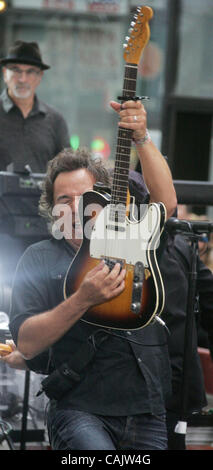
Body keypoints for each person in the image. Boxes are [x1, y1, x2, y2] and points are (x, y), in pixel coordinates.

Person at [9, 99, 177, 451]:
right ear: (52, 208)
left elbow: (166, 204)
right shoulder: (38, 258)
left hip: (146, 407)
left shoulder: (133, 239)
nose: (74, 206)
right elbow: (26, 342)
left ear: (102, 198)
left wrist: (143, 136)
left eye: (83, 197)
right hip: (79, 408)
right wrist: (82, 300)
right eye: (63, 199)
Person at [0, 40, 70, 173]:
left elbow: (67, 170)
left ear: (40, 76)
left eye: (30, 71)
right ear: (4, 73)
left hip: (41, 194)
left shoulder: (56, 120)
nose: (23, 79)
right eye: (16, 70)